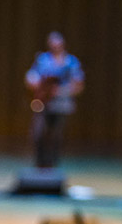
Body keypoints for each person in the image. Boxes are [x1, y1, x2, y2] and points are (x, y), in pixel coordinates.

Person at [25, 31, 84, 168]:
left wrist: (61, 91)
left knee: (55, 136)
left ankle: (52, 165)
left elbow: (78, 85)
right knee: (38, 133)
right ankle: (39, 164)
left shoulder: (70, 62)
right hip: (44, 103)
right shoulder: (43, 60)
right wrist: (35, 83)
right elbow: (31, 76)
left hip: (61, 105)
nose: (54, 47)